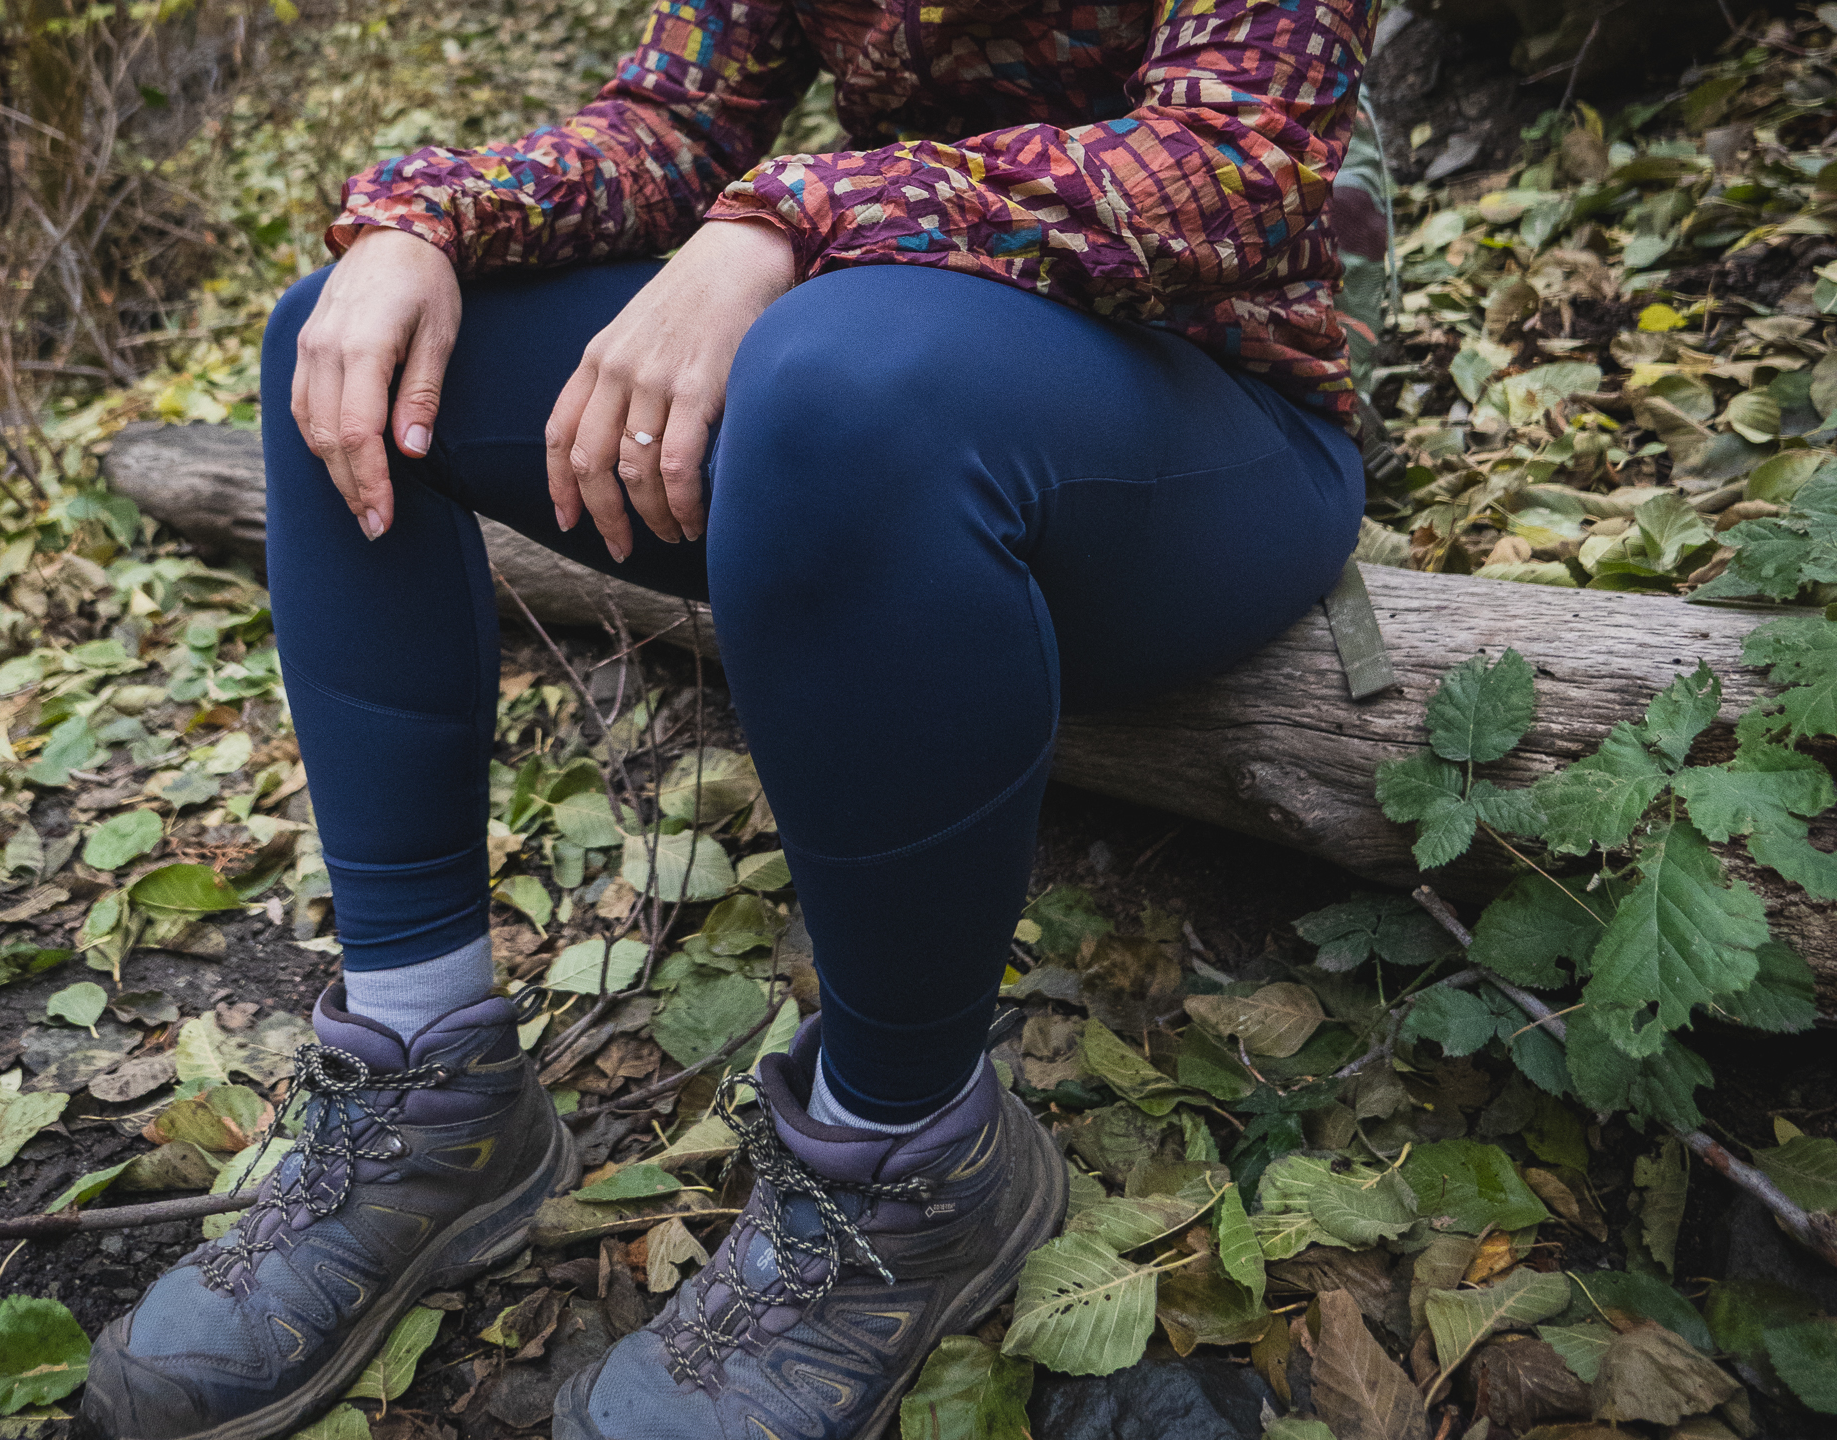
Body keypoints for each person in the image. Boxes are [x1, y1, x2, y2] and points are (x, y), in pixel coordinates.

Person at [79, 0, 1377, 1435]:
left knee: (831, 369)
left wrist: (783, 223)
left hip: (1205, 438)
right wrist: (420, 221)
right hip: (871, 405)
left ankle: (913, 1163)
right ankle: (428, 1081)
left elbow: (1238, 169)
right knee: (341, 346)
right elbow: (676, 124)